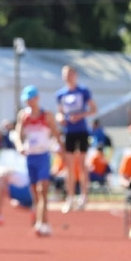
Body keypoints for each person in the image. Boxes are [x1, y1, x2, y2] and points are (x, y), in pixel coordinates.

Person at [14, 85, 61, 237]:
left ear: (37, 98)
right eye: (26, 100)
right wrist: (20, 146)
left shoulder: (46, 115)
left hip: (43, 156)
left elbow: (55, 132)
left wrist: (61, 148)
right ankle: (40, 220)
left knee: (43, 190)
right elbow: (17, 134)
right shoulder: (24, 115)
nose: (28, 102)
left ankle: (43, 223)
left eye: (30, 99)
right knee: (35, 193)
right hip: (30, 157)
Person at [54, 65, 97, 212]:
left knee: (83, 165)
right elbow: (59, 112)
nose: (68, 77)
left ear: (75, 75)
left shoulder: (83, 91)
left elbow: (93, 109)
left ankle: (84, 196)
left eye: (71, 74)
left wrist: (80, 115)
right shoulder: (60, 94)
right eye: (66, 74)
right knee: (69, 166)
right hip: (68, 132)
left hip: (82, 131)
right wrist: (60, 118)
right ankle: (70, 197)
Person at [0, 160, 32, 225]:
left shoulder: (1, 171)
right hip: (25, 194)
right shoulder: (0, 175)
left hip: (27, 190)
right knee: (15, 204)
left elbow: (1, 182)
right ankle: (34, 210)